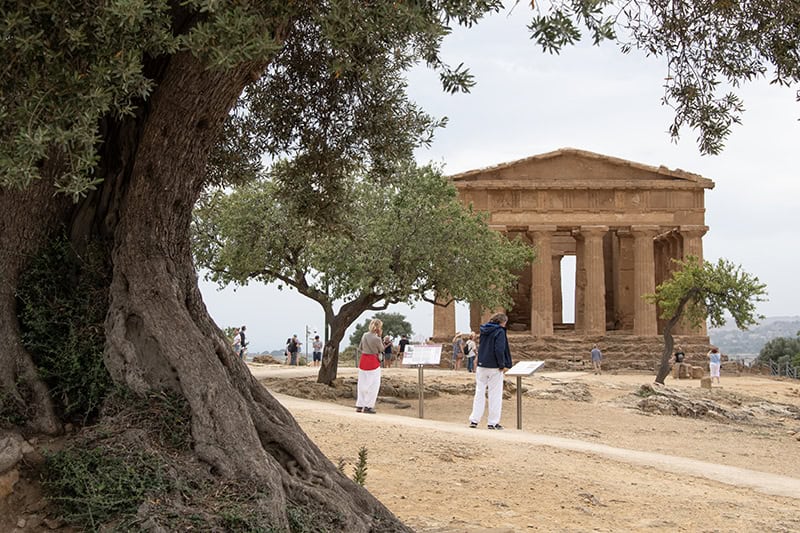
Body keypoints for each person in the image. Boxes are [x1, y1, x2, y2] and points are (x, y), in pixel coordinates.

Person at [468, 313, 513, 430]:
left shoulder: (484, 330)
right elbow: (499, 349)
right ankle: (492, 422)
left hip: (482, 365)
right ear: (502, 322)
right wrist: (502, 364)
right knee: (495, 394)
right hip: (494, 367)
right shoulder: (500, 332)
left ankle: (474, 420)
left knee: (479, 392)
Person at [356, 318, 384, 414]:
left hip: (363, 360)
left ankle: (360, 404)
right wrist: (380, 336)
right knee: (373, 385)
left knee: (362, 384)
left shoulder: (364, 335)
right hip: (373, 361)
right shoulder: (377, 338)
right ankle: (368, 406)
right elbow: (381, 349)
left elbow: (360, 347)